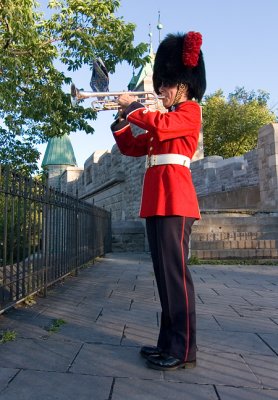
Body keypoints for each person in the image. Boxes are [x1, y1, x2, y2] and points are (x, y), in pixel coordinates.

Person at [110, 31, 206, 371]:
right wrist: (122, 120)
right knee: (164, 278)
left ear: (183, 83)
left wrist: (134, 107)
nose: (161, 90)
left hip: (176, 202)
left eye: (165, 84)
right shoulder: (165, 118)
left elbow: (161, 126)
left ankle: (183, 350)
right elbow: (132, 148)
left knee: (176, 277)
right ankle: (168, 342)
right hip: (157, 202)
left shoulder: (189, 111)